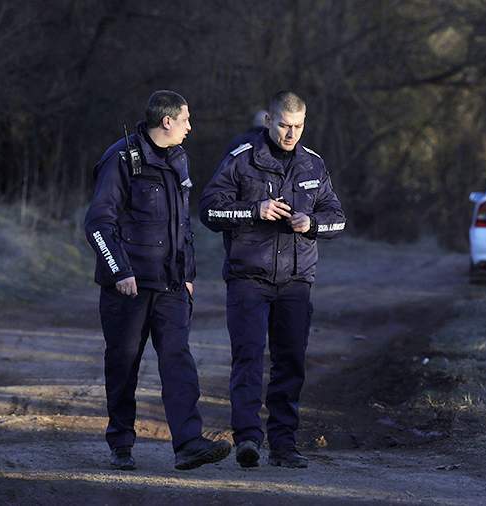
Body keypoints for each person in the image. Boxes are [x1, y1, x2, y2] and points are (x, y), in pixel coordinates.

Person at [84, 90, 231, 471]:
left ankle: (188, 444)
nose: (190, 127)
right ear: (167, 121)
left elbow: (183, 226)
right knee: (123, 364)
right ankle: (121, 444)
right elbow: (98, 223)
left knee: (178, 360)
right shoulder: (120, 159)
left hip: (170, 286)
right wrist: (120, 271)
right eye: (185, 119)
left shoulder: (179, 158)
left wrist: (188, 275)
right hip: (128, 288)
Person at [199, 91, 346, 469]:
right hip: (249, 277)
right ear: (268, 120)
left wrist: (310, 223)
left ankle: (284, 445)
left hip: (297, 281)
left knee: (290, 363)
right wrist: (254, 210)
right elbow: (209, 210)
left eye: (297, 126)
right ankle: (247, 438)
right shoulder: (240, 160)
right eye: (283, 124)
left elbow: (338, 219)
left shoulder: (314, 165)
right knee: (248, 359)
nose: (290, 133)